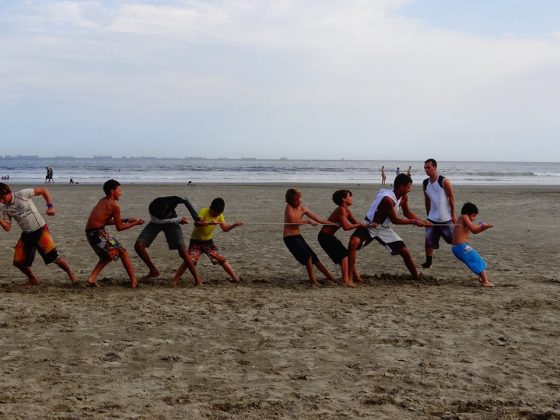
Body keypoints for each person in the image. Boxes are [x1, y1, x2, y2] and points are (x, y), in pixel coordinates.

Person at [348, 174, 431, 282]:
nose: (409, 190)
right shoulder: (388, 199)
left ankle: (417, 277)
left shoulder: (403, 197)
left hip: (384, 228)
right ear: (401, 186)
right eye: (408, 187)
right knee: (353, 243)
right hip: (370, 225)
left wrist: (423, 221)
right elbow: (395, 220)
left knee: (405, 251)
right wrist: (415, 222)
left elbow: (407, 213)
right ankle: (351, 276)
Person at [0, 183, 78, 285]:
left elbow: (43, 190)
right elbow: (7, 228)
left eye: (2, 197)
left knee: (54, 257)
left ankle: (71, 273)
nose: (1, 200)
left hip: (40, 229)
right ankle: (33, 279)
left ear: (7, 192)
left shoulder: (22, 194)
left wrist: (50, 206)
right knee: (18, 261)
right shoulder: (5, 208)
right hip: (27, 233)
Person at [85, 179, 144, 288]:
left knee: (107, 256)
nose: (121, 193)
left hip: (91, 233)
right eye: (119, 190)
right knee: (123, 252)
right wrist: (135, 223)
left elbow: (106, 221)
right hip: (98, 233)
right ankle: (134, 282)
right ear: (112, 191)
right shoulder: (114, 205)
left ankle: (92, 278)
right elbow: (119, 228)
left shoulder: (102, 200)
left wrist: (126, 219)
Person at [134, 196, 202, 286]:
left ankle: (197, 279)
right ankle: (153, 270)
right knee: (139, 245)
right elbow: (158, 221)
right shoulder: (152, 207)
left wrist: (196, 217)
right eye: (160, 211)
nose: (162, 213)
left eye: (164, 210)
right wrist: (178, 220)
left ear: (167, 206)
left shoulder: (173, 200)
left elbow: (186, 201)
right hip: (157, 223)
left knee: (183, 251)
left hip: (172, 223)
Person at [176, 197, 243, 286]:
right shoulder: (204, 211)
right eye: (214, 213)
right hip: (196, 241)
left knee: (221, 259)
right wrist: (211, 223)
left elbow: (225, 229)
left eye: (218, 213)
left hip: (208, 242)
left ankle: (236, 278)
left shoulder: (220, 215)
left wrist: (234, 225)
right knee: (190, 261)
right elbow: (197, 224)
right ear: (210, 208)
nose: (216, 215)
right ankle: (175, 279)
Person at [318, 190, 372, 287]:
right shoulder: (341, 209)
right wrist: (358, 225)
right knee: (344, 256)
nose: (351, 198)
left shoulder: (347, 210)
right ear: (343, 199)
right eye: (349, 196)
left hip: (330, 236)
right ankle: (346, 280)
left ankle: (355, 277)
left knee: (346, 255)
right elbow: (346, 227)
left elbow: (357, 224)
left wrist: (370, 225)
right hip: (324, 237)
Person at [283, 188, 336, 287]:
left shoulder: (303, 209)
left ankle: (331, 277)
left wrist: (334, 223)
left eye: (299, 199)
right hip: (289, 238)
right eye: (295, 200)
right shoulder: (288, 207)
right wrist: (308, 221)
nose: (298, 201)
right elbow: (293, 223)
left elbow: (319, 219)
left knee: (315, 258)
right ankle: (313, 281)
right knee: (307, 256)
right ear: (290, 201)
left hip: (298, 236)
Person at [421, 158, 456, 268]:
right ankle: (428, 262)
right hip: (432, 217)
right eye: (425, 168)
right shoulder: (425, 183)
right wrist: (427, 215)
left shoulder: (444, 181)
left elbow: (451, 198)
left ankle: (467, 252)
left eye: (428, 167)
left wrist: (453, 214)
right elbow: (427, 199)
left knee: (453, 240)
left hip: (445, 217)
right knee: (429, 241)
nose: (426, 170)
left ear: (435, 167)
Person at [452, 202, 493, 287]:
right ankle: (485, 281)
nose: (474, 218)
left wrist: (482, 227)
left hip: (460, 247)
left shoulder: (463, 219)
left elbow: (475, 230)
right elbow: (474, 229)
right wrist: (483, 226)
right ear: (469, 213)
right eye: (474, 216)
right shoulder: (464, 217)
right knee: (476, 259)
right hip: (461, 247)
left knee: (477, 259)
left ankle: (482, 278)